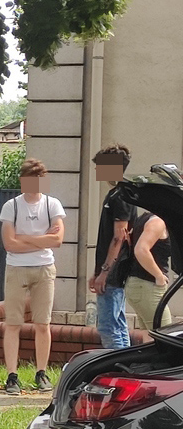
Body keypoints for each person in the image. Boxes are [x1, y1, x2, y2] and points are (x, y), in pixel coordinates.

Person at [0, 159, 66, 395]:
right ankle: (12, 375)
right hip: (16, 269)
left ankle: (41, 372)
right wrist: (40, 239)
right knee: (13, 323)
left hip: (44, 268)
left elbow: (57, 240)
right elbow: (9, 244)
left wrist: (25, 238)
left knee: (42, 323)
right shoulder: (11, 206)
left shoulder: (52, 204)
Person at [88, 145, 135, 349]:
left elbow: (118, 237)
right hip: (112, 271)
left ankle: (116, 371)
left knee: (108, 326)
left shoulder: (122, 196)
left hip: (115, 273)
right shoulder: (117, 193)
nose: (97, 170)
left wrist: (105, 272)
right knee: (117, 323)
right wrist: (98, 271)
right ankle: (124, 369)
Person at [124, 211, 173, 343]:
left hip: (138, 285)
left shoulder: (143, 219)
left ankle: (146, 363)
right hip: (148, 286)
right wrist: (159, 276)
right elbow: (141, 249)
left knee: (150, 338)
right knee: (165, 337)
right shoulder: (157, 222)